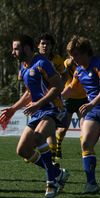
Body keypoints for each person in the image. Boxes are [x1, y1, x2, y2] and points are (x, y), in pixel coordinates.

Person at [0, 35, 69, 198]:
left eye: (16, 48)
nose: (13, 52)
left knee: (38, 137)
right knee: (22, 150)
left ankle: (52, 183)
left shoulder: (42, 63)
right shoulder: (23, 67)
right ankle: (57, 173)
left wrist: (40, 103)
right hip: (39, 111)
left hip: (53, 109)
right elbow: (29, 93)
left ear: (27, 48)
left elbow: (58, 86)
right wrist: (13, 109)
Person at [62, 35, 100, 194]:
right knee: (85, 143)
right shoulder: (79, 70)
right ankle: (91, 184)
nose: (73, 58)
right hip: (93, 111)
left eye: (75, 55)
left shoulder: (99, 64)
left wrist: (91, 103)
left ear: (85, 52)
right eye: (71, 55)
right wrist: (58, 96)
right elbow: (73, 88)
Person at [37, 33, 67, 161]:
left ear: (51, 46)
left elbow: (65, 75)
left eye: (47, 44)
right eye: (42, 43)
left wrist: (59, 87)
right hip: (37, 99)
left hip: (53, 100)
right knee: (40, 128)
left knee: (50, 129)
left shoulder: (57, 60)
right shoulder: (34, 59)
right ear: (38, 45)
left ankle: (52, 159)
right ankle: (34, 148)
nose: (45, 46)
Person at [55, 57, 88, 158]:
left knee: (84, 127)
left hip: (83, 98)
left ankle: (85, 151)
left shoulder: (86, 63)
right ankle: (58, 147)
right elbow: (68, 63)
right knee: (63, 129)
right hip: (68, 99)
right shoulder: (67, 63)